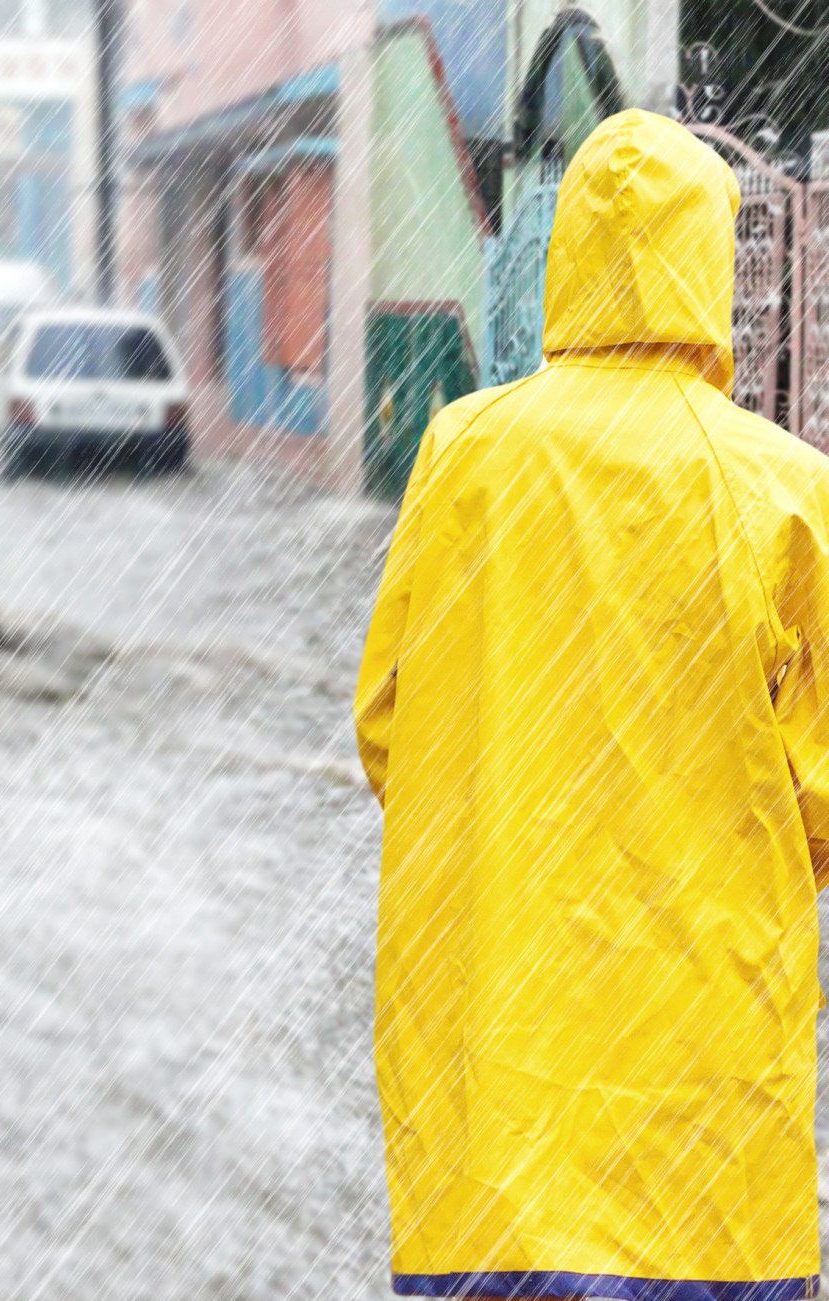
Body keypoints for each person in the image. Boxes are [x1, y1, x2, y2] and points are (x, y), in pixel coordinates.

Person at [354, 108, 827, 1301]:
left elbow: (386, 727)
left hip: (494, 1125)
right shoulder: (787, 494)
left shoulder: (465, 452)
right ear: (712, 260)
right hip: (703, 1141)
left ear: (567, 257)